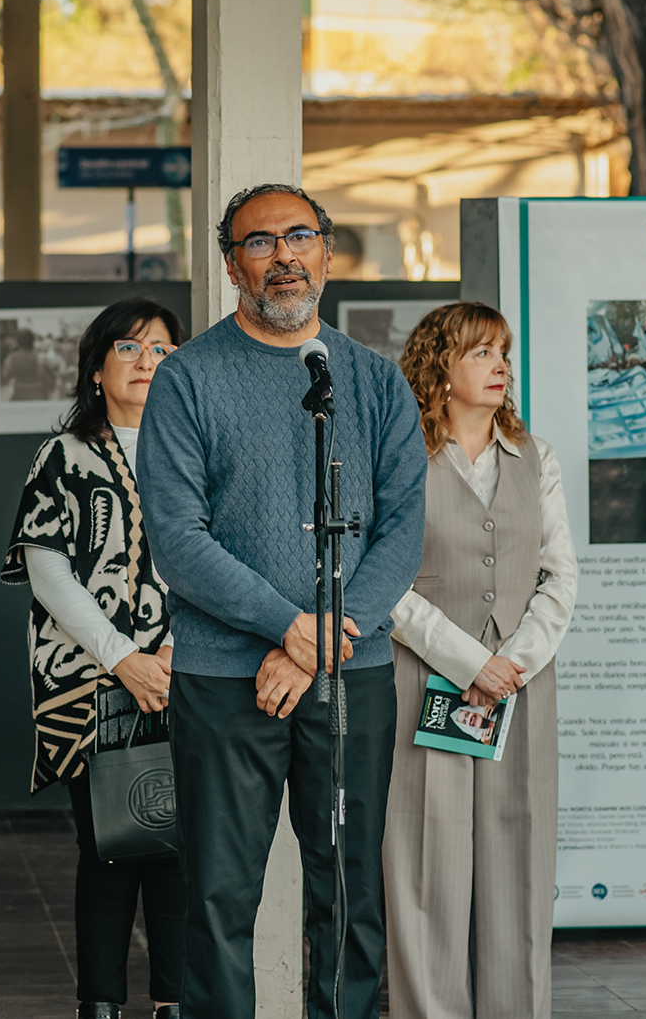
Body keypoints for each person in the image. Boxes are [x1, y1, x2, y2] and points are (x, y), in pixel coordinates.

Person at [136, 183, 427, 1018]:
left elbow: (402, 531)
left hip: (352, 676)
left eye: (300, 236)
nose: (284, 255)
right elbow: (179, 541)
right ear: (233, 265)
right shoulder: (187, 380)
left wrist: (318, 645)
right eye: (261, 242)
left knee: (349, 892)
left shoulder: (373, 382)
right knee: (220, 899)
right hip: (225, 681)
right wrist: (288, 630)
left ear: (328, 253)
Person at [381, 302, 577, 1019]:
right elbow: (384, 583)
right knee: (427, 865)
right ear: (440, 368)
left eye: (503, 353)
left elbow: (561, 575)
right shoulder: (399, 457)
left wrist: (514, 662)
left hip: (521, 687)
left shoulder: (537, 457)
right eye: (480, 353)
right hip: (423, 680)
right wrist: (469, 662)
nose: (499, 366)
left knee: (518, 860)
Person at [2, 298, 189, 1019]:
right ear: (97, 366)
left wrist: (172, 650)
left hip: (183, 673)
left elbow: (213, 560)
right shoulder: (63, 454)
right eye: (131, 349)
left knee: (177, 848)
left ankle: (174, 1001)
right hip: (88, 680)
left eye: (163, 350)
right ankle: (101, 1005)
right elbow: (46, 570)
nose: (147, 362)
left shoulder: (194, 449)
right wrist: (121, 658)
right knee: (110, 846)